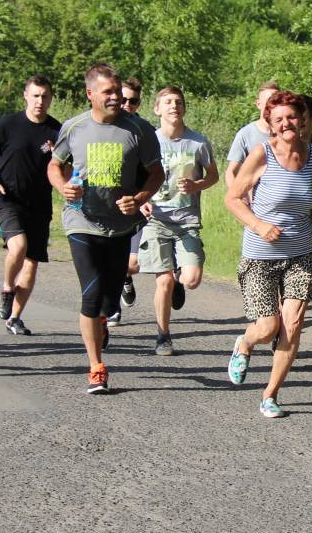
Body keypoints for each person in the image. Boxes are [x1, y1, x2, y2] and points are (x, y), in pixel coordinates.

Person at [225, 91, 312, 418]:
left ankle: (270, 395)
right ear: (270, 123)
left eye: (292, 117)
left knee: (292, 325)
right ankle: (245, 344)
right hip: (260, 256)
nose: (286, 123)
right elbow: (233, 198)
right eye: (278, 119)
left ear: (303, 119)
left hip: (301, 256)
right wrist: (258, 225)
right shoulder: (261, 154)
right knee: (268, 327)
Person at [47, 63, 162, 394]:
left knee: (110, 303)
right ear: (90, 94)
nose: (116, 97)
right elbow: (55, 165)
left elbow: (156, 173)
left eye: (117, 91)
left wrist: (139, 198)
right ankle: (96, 367)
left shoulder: (138, 129)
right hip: (81, 220)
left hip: (121, 226)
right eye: (108, 92)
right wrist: (63, 187)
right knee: (91, 294)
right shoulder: (74, 127)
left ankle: (102, 319)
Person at [137, 86, 218, 355]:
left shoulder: (198, 142)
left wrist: (197, 185)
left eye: (179, 102)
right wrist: (142, 199)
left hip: (187, 221)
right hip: (156, 219)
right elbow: (135, 175)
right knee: (163, 282)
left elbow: (213, 175)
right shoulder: (148, 141)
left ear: (184, 108)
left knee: (191, 279)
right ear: (157, 109)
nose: (174, 106)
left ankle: (179, 279)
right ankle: (163, 336)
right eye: (168, 102)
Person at [0, 75, 61, 335]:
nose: (40, 101)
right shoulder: (9, 123)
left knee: (32, 262)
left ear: (51, 99)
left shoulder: (56, 131)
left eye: (45, 96)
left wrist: (61, 165)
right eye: (35, 95)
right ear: (26, 96)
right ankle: (6, 288)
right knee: (18, 246)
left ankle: (14, 318)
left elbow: (66, 166)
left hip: (39, 203)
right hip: (7, 198)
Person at [114, 75, 150, 325]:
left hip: (137, 203)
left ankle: (126, 276)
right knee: (110, 259)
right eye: (123, 99)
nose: (127, 105)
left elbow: (156, 170)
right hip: (108, 205)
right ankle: (112, 308)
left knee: (133, 263)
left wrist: (147, 196)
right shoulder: (103, 126)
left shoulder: (144, 130)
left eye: (133, 101)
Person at [224, 81, 281, 191]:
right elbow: (231, 172)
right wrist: (237, 196)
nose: (273, 105)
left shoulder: (285, 133)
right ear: (258, 104)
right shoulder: (246, 134)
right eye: (269, 101)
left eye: (277, 101)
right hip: (253, 199)